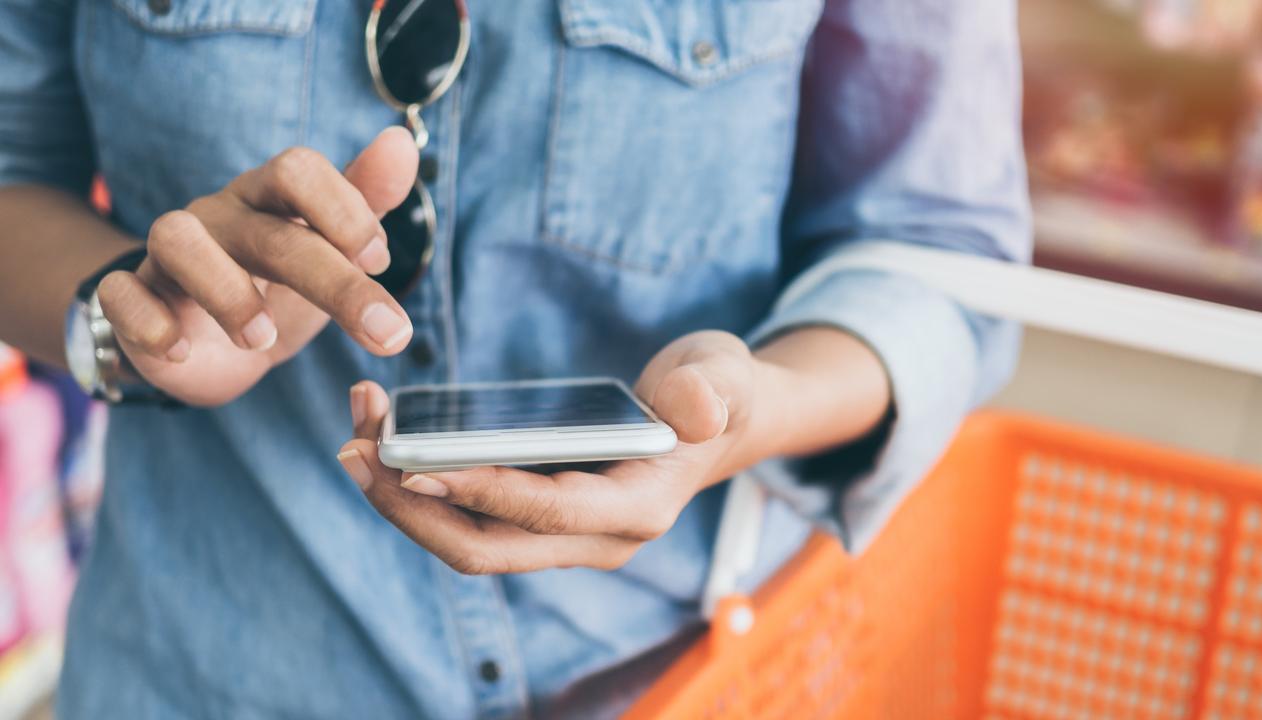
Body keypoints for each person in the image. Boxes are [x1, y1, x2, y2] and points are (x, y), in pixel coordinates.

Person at [0, 0, 1029, 716]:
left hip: (683, 678)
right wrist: (127, 319)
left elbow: (934, 251)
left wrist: (749, 409)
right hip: (198, 672)